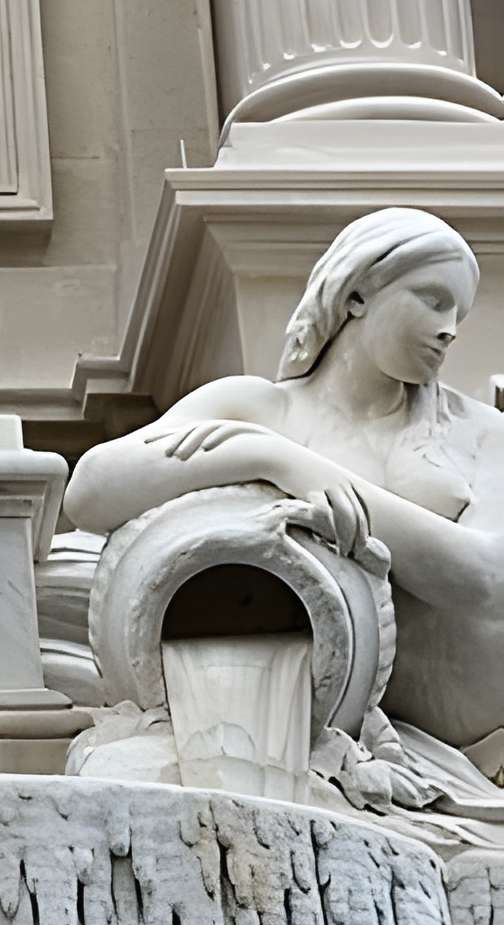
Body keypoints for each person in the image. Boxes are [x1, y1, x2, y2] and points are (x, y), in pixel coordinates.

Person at [65, 206, 504, 757]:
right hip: (274, 710)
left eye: (459, 312)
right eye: (434, 299)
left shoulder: (480, 434)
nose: (450, 329)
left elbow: (483, 578)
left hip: (448, 746)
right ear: (357, 295)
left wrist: (309, 472)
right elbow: (91, 491)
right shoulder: (255, 408)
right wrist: (270, 458)